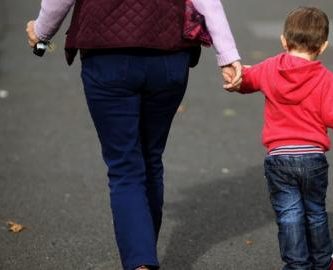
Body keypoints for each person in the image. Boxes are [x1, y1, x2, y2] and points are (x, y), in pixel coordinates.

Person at [26, 1, 241, 269]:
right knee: (151, 158)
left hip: (107, 56)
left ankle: (141, 262)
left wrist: (42, 31)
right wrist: (228, 55)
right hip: (169, 55)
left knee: (124, 165)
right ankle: (144, 257)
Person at [224, 7, 333, 270]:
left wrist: (236, 75)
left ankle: (296, 265)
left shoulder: (270, 67)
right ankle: (323, 261)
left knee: (289, 215)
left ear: (284, 40)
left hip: (279, 157)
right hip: (312, 157)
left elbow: (246, 81)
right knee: (315, 212)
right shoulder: (325, 78)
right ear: (323, 46)